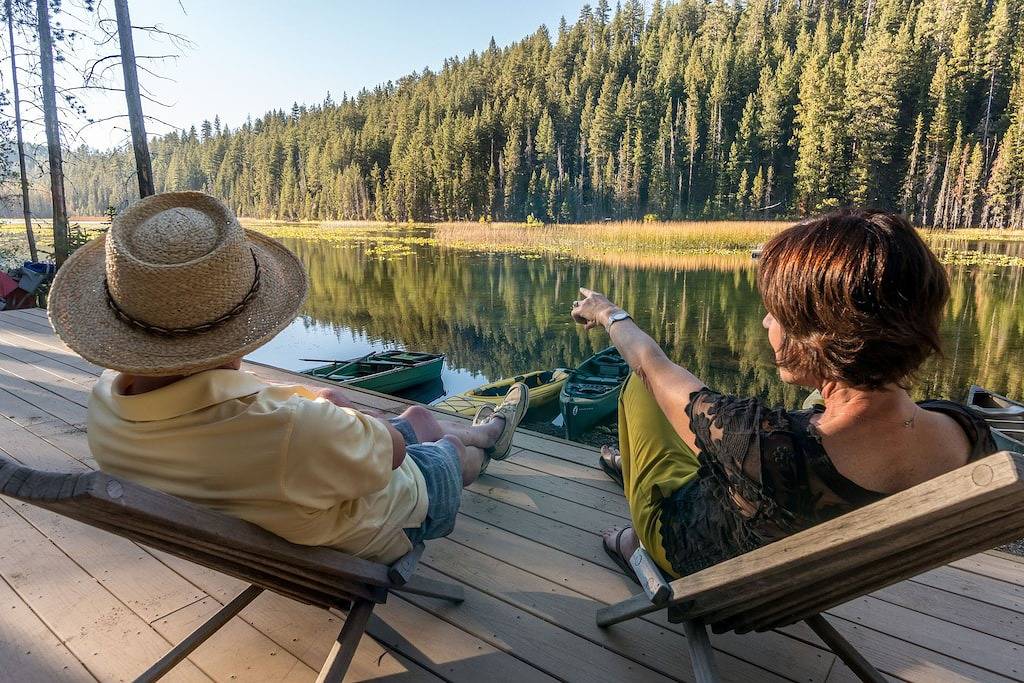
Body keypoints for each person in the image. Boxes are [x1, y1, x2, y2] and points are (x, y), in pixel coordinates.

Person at [47, 191, 529, 564]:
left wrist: (325, 414)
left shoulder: (106, 407)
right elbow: (392, 454)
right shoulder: (292, 431)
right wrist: (334, 416)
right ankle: (485, 444)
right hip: (371, 524)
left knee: (418, 415)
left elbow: (265, 435)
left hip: (275, 499)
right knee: (446, 451)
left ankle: (487, 431)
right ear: (243, 326)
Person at [569, 209, 997, 579]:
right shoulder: (967, 433)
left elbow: (649, 364)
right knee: (793, 411)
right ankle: (640, 464)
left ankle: (633, 537)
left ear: (819, 335)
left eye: (776, 312)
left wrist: (609, 312)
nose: (765, 324)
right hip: (810, 575)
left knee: (641, 390)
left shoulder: (764, 444)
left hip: (696, 555)